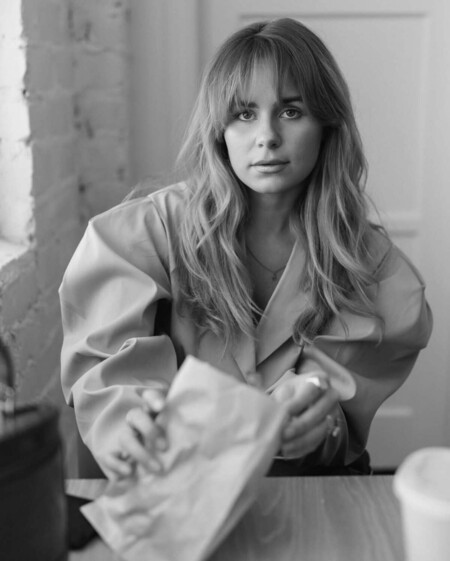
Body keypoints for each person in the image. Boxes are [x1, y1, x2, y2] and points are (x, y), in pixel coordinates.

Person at [59, 18, 432, 479]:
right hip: (173, 483)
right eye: (244, 114)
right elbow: (108, 377)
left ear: (327, 125)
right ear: (219, 130)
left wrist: (318, 418)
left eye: (291, 111)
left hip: (306, 488)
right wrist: (129, 421)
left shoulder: (371, 266)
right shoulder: (144, 234)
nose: (267, 136)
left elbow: (339, 420)